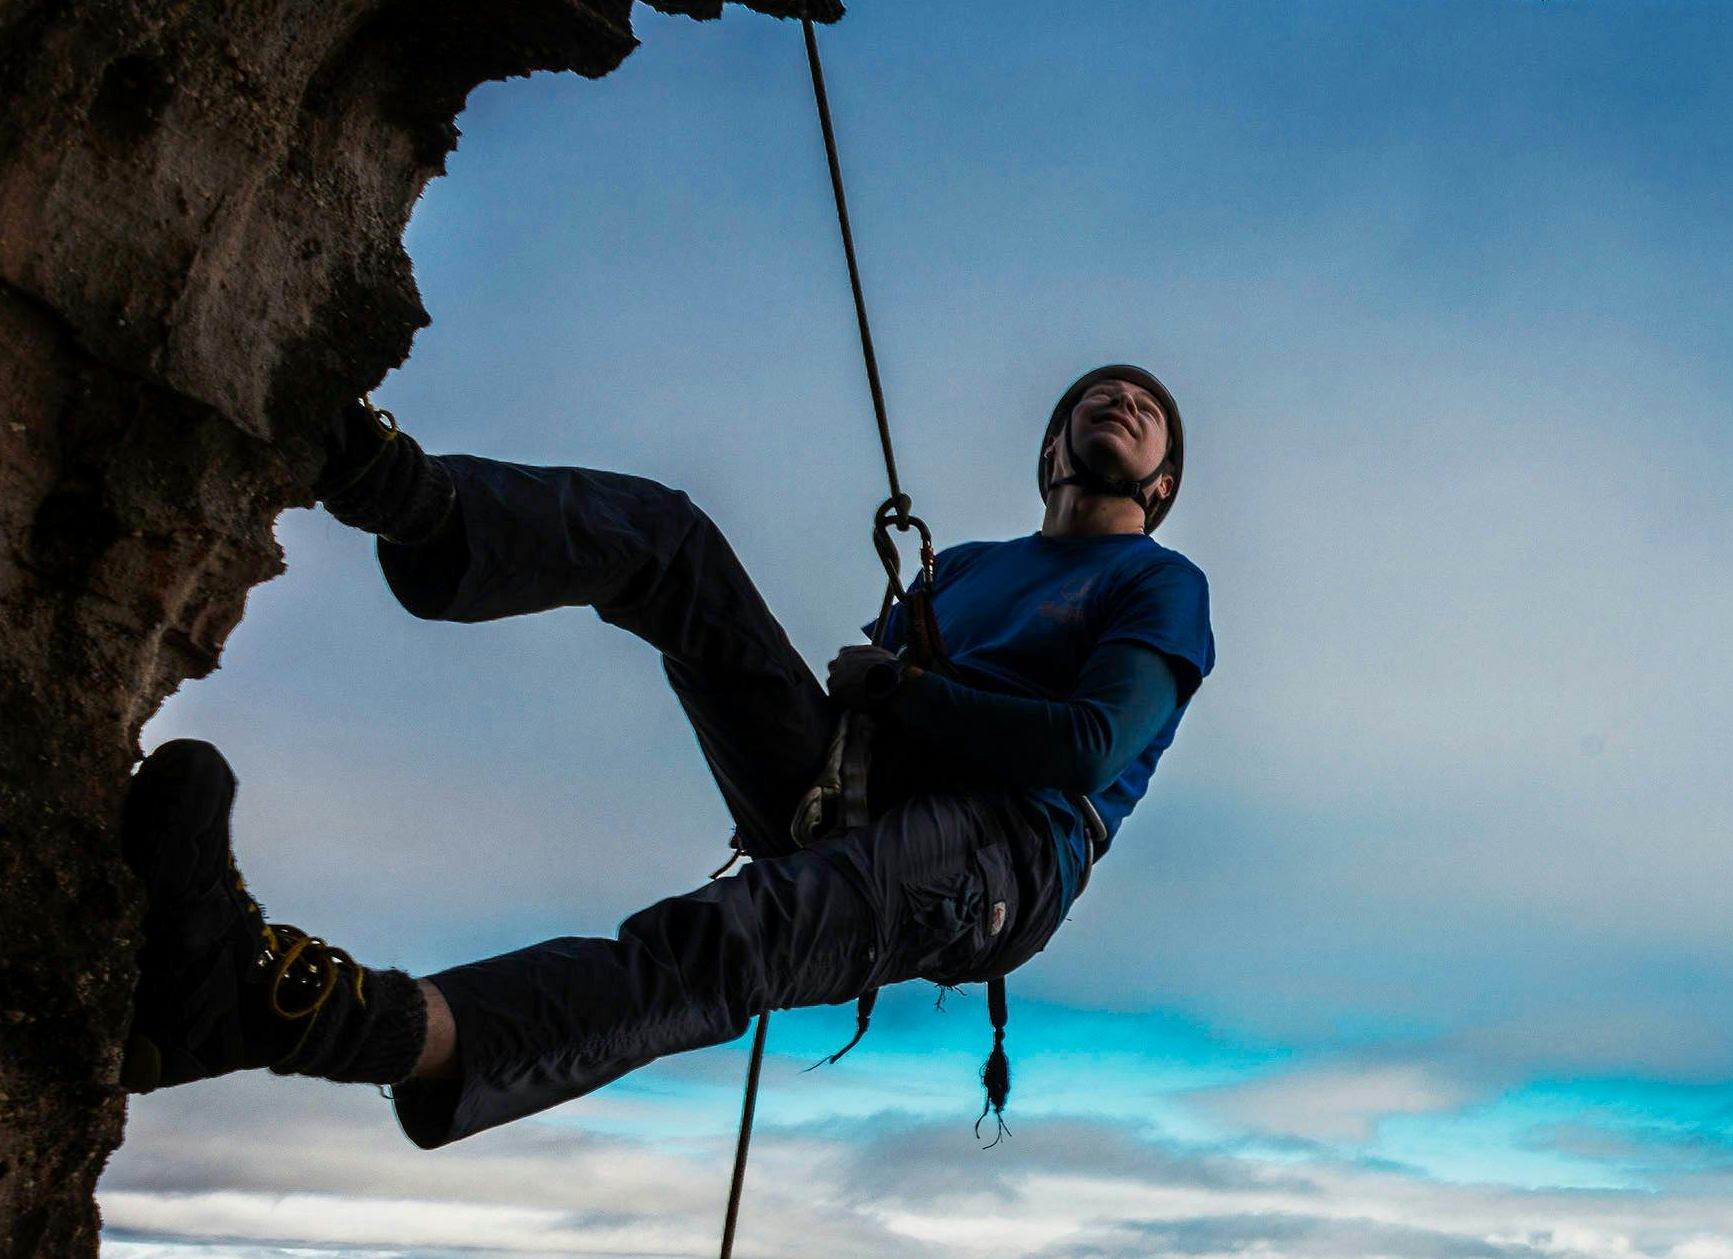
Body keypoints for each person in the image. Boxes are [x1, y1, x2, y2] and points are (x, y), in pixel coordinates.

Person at [119, 366, 1211, 1146]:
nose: (1122, 402)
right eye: (1098, 397)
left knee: (726, 944)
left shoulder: (1160, 585)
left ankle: (300, 1014)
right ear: (1052, 449)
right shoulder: (966, 567)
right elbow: (872, 694)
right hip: (866, 775)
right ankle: (403, 495)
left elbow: (1084, 746)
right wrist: (884, 686)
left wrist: (905, 688)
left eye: (1148, 412)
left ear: (1158, 487)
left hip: (1002, 852)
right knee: (672, 547)